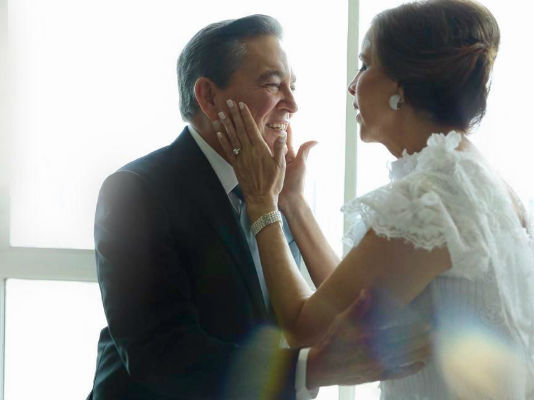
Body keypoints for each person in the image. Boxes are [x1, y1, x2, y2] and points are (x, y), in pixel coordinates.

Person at [214, 1, 534, 398]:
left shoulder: (431, 198)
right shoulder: (468, 176)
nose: (352, 84)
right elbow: (356, 296)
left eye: (365, 65)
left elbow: (306, 326)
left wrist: (262, 202)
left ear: (399, 87)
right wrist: (294, 203)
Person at [87, 14, 431, 400]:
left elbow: (319, 306)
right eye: (272, 84)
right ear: (209, 97)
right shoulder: (137, 191)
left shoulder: (277, 185)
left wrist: (291, 204)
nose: (293, 104)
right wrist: (309, 368)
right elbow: (158, 353)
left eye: (293, 86)